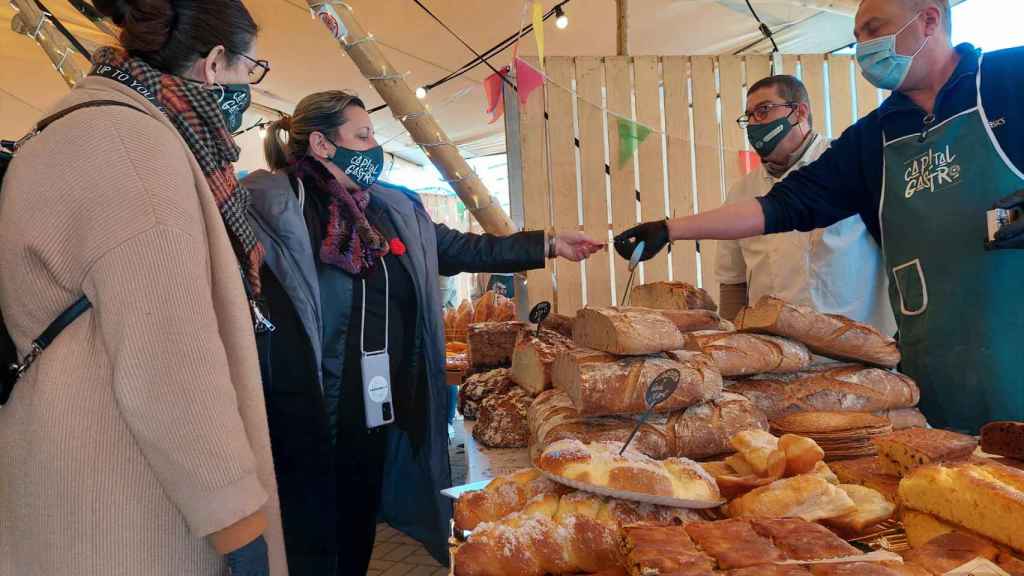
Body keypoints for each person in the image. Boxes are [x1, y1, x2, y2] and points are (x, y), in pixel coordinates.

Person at [615, 0, 1024, 433]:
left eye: (873, 29)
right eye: (859, 35)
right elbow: (784, 205)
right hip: (937, 364)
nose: (863, 45)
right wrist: (670, 229)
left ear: (928, 20)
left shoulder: (1008, 78)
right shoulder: (874, 136)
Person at [243, 90, 604, 574]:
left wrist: (550, 243)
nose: (374, 148)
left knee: (357, 521)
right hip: (311, 405)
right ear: (322, 145)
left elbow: (460, 249)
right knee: (309, 532)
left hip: (382, 402)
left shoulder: (390, 208)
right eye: (363, 136)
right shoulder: (277, 208)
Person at [0, 0, 284, 574]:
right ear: (215, 62)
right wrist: (238, 520)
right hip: (131, 499)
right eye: (248, 70)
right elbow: (168, 358)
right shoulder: (133, 144)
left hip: (66, 466)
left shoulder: (71, 123)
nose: (246, 87)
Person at [717, 75, 895, 335]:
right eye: (749, 116)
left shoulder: (850, 169)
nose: (754, 123)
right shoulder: (741, 194)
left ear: (799, 112)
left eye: (763, 110)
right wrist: (735, 342)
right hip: (777, 354)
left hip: (858, 346)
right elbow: (732, 281)